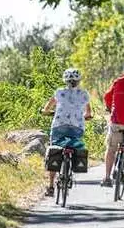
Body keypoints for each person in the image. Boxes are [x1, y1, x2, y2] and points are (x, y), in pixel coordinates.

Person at [40, 68, 93, 197]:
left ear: (65, 80)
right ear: (78, 81)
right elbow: (89, 113)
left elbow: (47, 108)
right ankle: (72, 163)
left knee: (55, 150)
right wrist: (86, 117)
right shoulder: (84, 94)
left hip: (59, 126)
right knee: (75, 145)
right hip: (77, 127)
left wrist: (45, 112)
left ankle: (51, 186)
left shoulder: (59, 92)